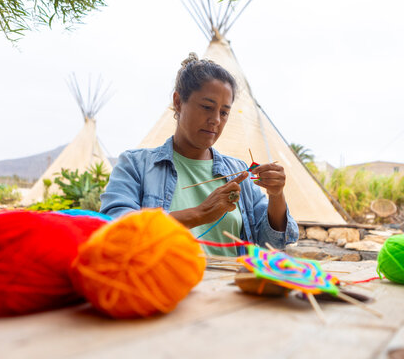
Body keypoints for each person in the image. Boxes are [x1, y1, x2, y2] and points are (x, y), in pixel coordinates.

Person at [100, 53, 298, 256]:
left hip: (228, 288)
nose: (215, 120)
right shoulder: (136, 166)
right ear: (178, 102)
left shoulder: (238, 174)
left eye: (224, 112)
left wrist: (276, 195)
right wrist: (198, 214)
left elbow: (275, 242)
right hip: (160, 287)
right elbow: (115, 230)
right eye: (207, 107)